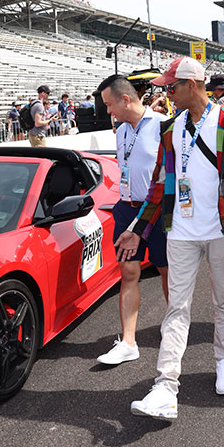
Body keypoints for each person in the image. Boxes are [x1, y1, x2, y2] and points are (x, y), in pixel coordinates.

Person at [118, 56, 224, 420]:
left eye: (171, 87)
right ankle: (166, 385)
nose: (167, 93)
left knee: (223, 299)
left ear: (192, 85)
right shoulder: (170, 129)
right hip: (180, 231)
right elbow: (158, 187)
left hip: (222, 229)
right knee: (176, 308)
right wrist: (138, 229)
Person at [97, 75, 170, 365]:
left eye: (109, 104)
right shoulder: (121, 130)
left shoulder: (162, 126)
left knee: (167, 271)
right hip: (127, 208)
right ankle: (128, 341)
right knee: (128, 272)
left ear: (125, 99)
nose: (107, 111)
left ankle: (174, 326)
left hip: (158, 209)